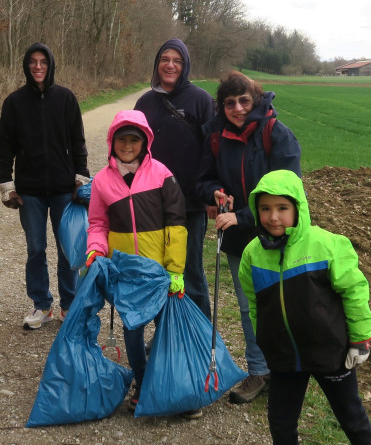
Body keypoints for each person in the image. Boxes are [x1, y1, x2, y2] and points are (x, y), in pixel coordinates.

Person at [239, 170, 371, 445]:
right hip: (284, 358)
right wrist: (264, 341)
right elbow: (253, 301)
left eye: (281, 208)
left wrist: (360, 339)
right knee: (280, 419)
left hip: (331, 353)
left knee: (351, 416)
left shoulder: (326, 244)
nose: (273, 217)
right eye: (264, 208)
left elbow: (354, 290)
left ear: (298, 209)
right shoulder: (252, 253)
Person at [196, 70, 301, 404]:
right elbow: (203, 179)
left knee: (283, 303)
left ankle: (288, 369)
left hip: (278, 234)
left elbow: (286, 194)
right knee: (248, 306)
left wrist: (240, 215)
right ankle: (259, 371)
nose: (238, 109)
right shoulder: (214, 135)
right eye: (230, 103)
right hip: (240, 239)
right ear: (222, 107)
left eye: (244, 101)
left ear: (255, 100)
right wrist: (214, 193)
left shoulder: (277, 134)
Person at [85, 110, 191, 414]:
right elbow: (97, 224)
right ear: (112, 142)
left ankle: (169, 382)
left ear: (145, 142)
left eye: (134, 139)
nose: (128, 145)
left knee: (165, 327)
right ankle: (143, 382)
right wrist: (95, 251)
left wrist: (175, 269)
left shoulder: (162, 174)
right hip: (126, 272)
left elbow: (176, 225)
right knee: (132, 330)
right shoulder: (102, 181)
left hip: (159, 271)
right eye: (122, 139)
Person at [0, 42, 90, 330]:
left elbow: (78, 141)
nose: (38, 66)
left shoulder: (66, 99)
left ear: (50, 65)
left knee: (68, 248)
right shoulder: (14, 103)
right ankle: (42, 305)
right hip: (30, 191)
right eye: (33, 62)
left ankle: (68, 305)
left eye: (43, 62)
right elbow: (5, 146)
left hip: (64, 189)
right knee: (36, 248)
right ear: (26, 66)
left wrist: (81, 178)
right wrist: (6, 183)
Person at [134, 38, 215, 319]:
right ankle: (166, 336)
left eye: (177, 60)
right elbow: (133, 151)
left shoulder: (201, 100)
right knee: (157, 272)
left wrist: (210, 195)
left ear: (185, 65)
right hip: (151, 203)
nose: (170, 65)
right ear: (157, 64)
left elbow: (212, 150)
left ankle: (201, 339)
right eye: (164, 59)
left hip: (189, 204)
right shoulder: (144, 102)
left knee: (190, 272)